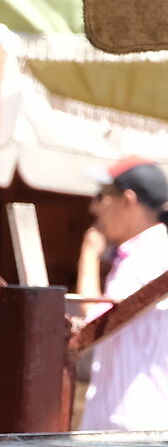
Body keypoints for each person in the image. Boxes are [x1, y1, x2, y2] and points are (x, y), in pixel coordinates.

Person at [80, 160, 168, 431]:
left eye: (102, 196)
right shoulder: (146, 253)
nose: (94, 208)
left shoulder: (147, 256)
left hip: (129, 428)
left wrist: (89, 254)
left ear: (128, 200)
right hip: (131, 425)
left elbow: (94, 324)